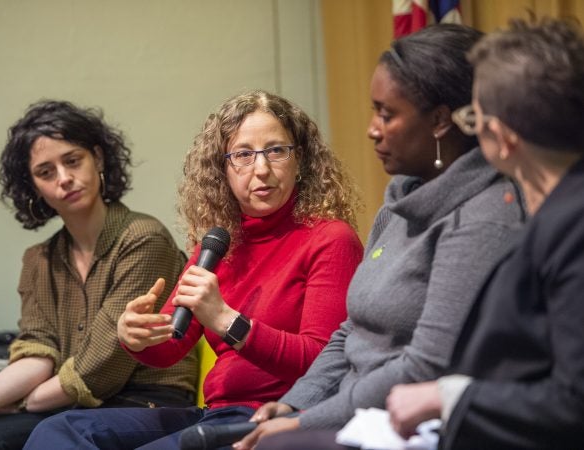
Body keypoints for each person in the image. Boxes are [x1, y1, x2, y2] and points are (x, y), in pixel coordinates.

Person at [235, 24, 527, 450]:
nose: (372, 129)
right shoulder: (399, 202)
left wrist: (305, 424)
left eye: (387, 114)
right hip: (346, 410)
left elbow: (426, 365)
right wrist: (296, 404)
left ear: (441, 121)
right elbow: (351, 330)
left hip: (417, 424)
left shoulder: (483, 219)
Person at [21, 90, 365, 449]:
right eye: (243, 155)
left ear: (301, 160)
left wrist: (229, 322)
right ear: (222, 171)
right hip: (215, 412)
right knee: (58, 431)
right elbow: (171, 346)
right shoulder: (217, 245)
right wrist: (135, 336)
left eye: (276, 151)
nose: (261, 169)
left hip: (278, 416)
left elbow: (323, 363)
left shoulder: (330, 239)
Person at [0, 100, 198, 450]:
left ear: (98, 158)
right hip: (74, 404)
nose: (64, 179)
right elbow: (38, 352)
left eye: (73, 161)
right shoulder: (40, 259)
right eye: (46, 172)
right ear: (34, 187)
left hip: (148, 402)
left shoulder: (143, 238)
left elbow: (104, 363)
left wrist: (11, 404)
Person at [386, 17, 584, 449]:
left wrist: (446, 396)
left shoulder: (575, 228)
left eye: (473, 117)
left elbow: (576, 403)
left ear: (501, 137)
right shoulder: (558, 211)